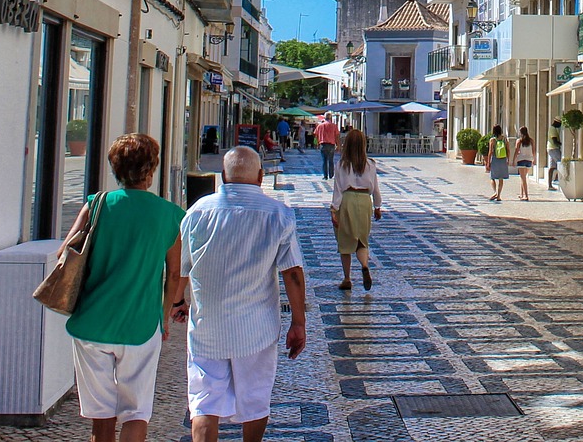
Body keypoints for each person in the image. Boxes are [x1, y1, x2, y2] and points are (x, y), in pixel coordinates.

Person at [63, 134, 186, 442]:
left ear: (115, 167)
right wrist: (167, 314)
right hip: (141, 325)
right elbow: (174, 274)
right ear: (152, 168)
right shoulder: (170, 215)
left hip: (92, 322)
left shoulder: (97, 205)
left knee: (101, 418)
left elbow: (66, 254)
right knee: (135, 413)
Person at [181, 146, 307, 442]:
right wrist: (298, 322)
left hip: (206, 327)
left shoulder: (197, 212)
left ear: (223, 176)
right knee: (255, 400)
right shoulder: (279, 215)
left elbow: (181, 269)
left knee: (203, 404)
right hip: (257, 328)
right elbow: (292, 272)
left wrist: (177, 302)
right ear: (261, 176)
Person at [330, 128, 382, 291]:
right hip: (365, 200)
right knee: (362, 241)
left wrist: (334, 209)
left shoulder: (341, 165)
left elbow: (338, 189)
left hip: (348, 200)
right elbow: (376, 188)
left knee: (345, 242)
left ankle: (347, 278)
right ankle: (365, 265)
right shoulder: (371, 164)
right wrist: (377, 207)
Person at [484, 125, 511, 201]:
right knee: (501, 178)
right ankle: (499, 195)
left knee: (492, 177)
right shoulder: (505, 139)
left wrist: (488, 162)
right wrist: (508, 159)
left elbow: (490, 152)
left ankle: (495, 192)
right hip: (503, 159)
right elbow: (508, 150)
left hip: (495, 159)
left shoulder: (492, 140)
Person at [512, 126, 538, 201]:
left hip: (521, 160)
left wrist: (514, 160)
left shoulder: (519, 141)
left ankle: (526, 195)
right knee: (523, 178)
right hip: (529, 160)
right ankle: (522, 194)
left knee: (523, 178)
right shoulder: (531, 140)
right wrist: (534, 159)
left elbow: (516, 151)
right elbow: (533, 150)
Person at [315, 114, 341, 180]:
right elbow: (337, 136)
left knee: (324, 161)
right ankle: (331, 174)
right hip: (331, 144)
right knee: (331, 160)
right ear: (330, 118)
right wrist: (338, 145)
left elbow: (316, 134)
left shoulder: (320, 126)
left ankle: (325, 175)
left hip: (323, 144)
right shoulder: (334, 126)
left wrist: (317, 143)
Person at [546, 120, 563, 190]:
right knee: (560, 164)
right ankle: (558, 180)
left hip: (550, 149)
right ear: (557, 122)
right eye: (560, 124)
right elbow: (554, 141)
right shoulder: (553, 129)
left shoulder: (551, 128)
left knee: (552, 167)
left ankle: (550, 184)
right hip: (554, 149)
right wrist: (561, 144)